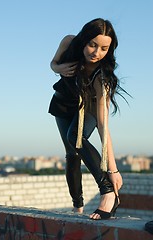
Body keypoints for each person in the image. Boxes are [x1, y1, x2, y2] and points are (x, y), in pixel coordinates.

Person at [48, 18, 124, 220]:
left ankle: (107, 192)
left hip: (87, 108)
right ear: (84, 40)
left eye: (104, 48)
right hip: (62, 105)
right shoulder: (69, 42)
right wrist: (59, 69)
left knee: (76, 136)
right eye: (92, 45)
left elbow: (103, 126)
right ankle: (77, 207)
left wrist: (113, 170)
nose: (96, 53)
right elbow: (53, 63)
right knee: (71, 155)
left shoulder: (102, 78)